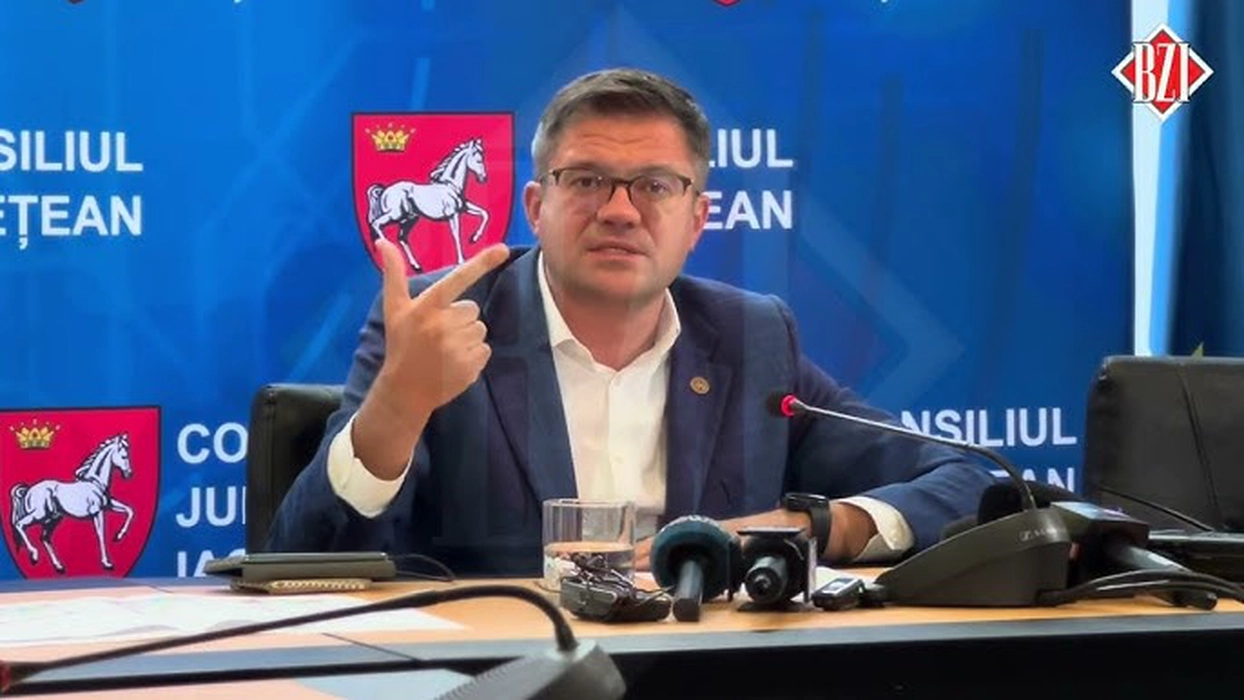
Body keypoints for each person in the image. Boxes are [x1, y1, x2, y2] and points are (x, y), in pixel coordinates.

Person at [265, 67, 993, 576]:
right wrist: (400, 403)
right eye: (586, 180)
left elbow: (966, 482)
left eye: (654, 186)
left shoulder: (751, 338)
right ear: (535, 207)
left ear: (697, 219)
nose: (619, 210)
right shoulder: (445, 320)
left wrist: (810, 527)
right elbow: (302, 563)